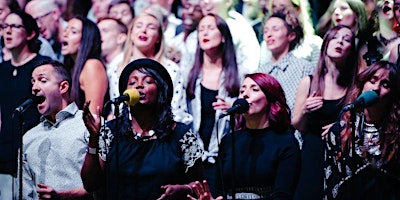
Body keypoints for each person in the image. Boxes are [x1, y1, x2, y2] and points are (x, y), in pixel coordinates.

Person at [80, 58, 204, 199]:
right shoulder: (110, 132)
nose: (139, 86)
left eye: (148, 81)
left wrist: (183, 189)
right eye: (132, 82)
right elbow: (90, 184)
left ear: (160, 91)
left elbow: (199, 184)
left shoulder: (181, 135)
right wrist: (93, 140)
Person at [188, 73, 301, 199]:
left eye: (254, 89)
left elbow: (283, 194)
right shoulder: (229, 140)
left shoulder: (285, 141)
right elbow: (219, 190)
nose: (245, 94)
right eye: (242, 90)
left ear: (270, 98)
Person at [184, 13, 248, 196]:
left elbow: (251, 113)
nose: (205, 33)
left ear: (223, 36)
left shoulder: (240, 74)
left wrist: (233, 109)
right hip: (192, 157)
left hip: (225, 157)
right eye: (201, 29)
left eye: (211, 28)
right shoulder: (189, 74)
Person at [292, 25, 359, 200]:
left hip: (340, 155)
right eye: (336, 37)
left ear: (351, 50)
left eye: (346, 39)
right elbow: (297, 125)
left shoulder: (354, 87)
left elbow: (360, 124)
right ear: (326, 43)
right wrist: (305, 109)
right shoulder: (308, 82)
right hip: (312, 152)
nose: (340, 42)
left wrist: (341, 126)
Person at [324, 61, 400, 199]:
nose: (376, 88)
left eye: (385, 84)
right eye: (372, 81)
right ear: (363, 85)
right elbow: (330, 182)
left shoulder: (396, 135)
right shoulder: (338, 132)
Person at [20, 60, 92, 199]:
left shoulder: (89, 124)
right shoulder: (29, 137)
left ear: (63, 87)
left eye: (42, 80)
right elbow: (25, 193)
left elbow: (103, 184)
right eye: (33, 82)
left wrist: (63, 196)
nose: (34, 87)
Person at [0, 10, 51, 199]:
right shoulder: (2, 69)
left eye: (14, 26)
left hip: (35, 150)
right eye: (4, 26)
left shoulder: (42, 67)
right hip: (5, 151)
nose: (8, 31)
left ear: (30, 34)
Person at [121, 12, 192, 125]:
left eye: (151, 27)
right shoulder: (117, 67)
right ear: (131, 33)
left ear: (159, 37)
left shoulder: (170, 69)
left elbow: (178, 111)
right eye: (139, 26)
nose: (143, 30)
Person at [258, 9, 314, 113]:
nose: (269, 34)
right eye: (266, 31)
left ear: (291, 35)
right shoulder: (260, 71)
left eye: (275, 29)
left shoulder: (304, 68)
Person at [61, 15, 108, 114]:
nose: (65, 34)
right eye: (66, 30)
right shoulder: (72, 67)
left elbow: (93, 115)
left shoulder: (92, 66)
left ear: (86, 40)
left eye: (73, 32)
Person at [200, 0, 260, 72]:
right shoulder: (195, 32)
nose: (206, 2)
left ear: (228, 1)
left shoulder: (240, 27)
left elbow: (251, 63)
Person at [259, 0, 323, 68]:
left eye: (282, 7)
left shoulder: (314, 43)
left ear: (298, 9)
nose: (277, 11)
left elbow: (318, 74)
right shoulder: (267, 44)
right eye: (274, 7)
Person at [97, 17, 127, 101]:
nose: (98, 35)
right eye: (97, 31)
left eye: (105, 30)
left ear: (120, 38)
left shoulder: (126, 66)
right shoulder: (103, 66)